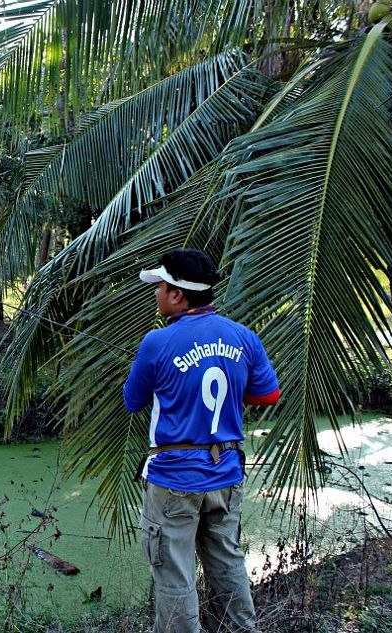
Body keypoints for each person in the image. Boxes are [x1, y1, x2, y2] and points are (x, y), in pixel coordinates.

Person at [123, 249, 280, 633]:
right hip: (226, 476)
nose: (156, 293)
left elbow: (133, 400)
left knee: (174, 575)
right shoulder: (243, 337)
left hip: (174, 481)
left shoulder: (157, 342)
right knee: (227, 563)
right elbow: (268, 395)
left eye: (160, 287)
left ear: (178, 295)